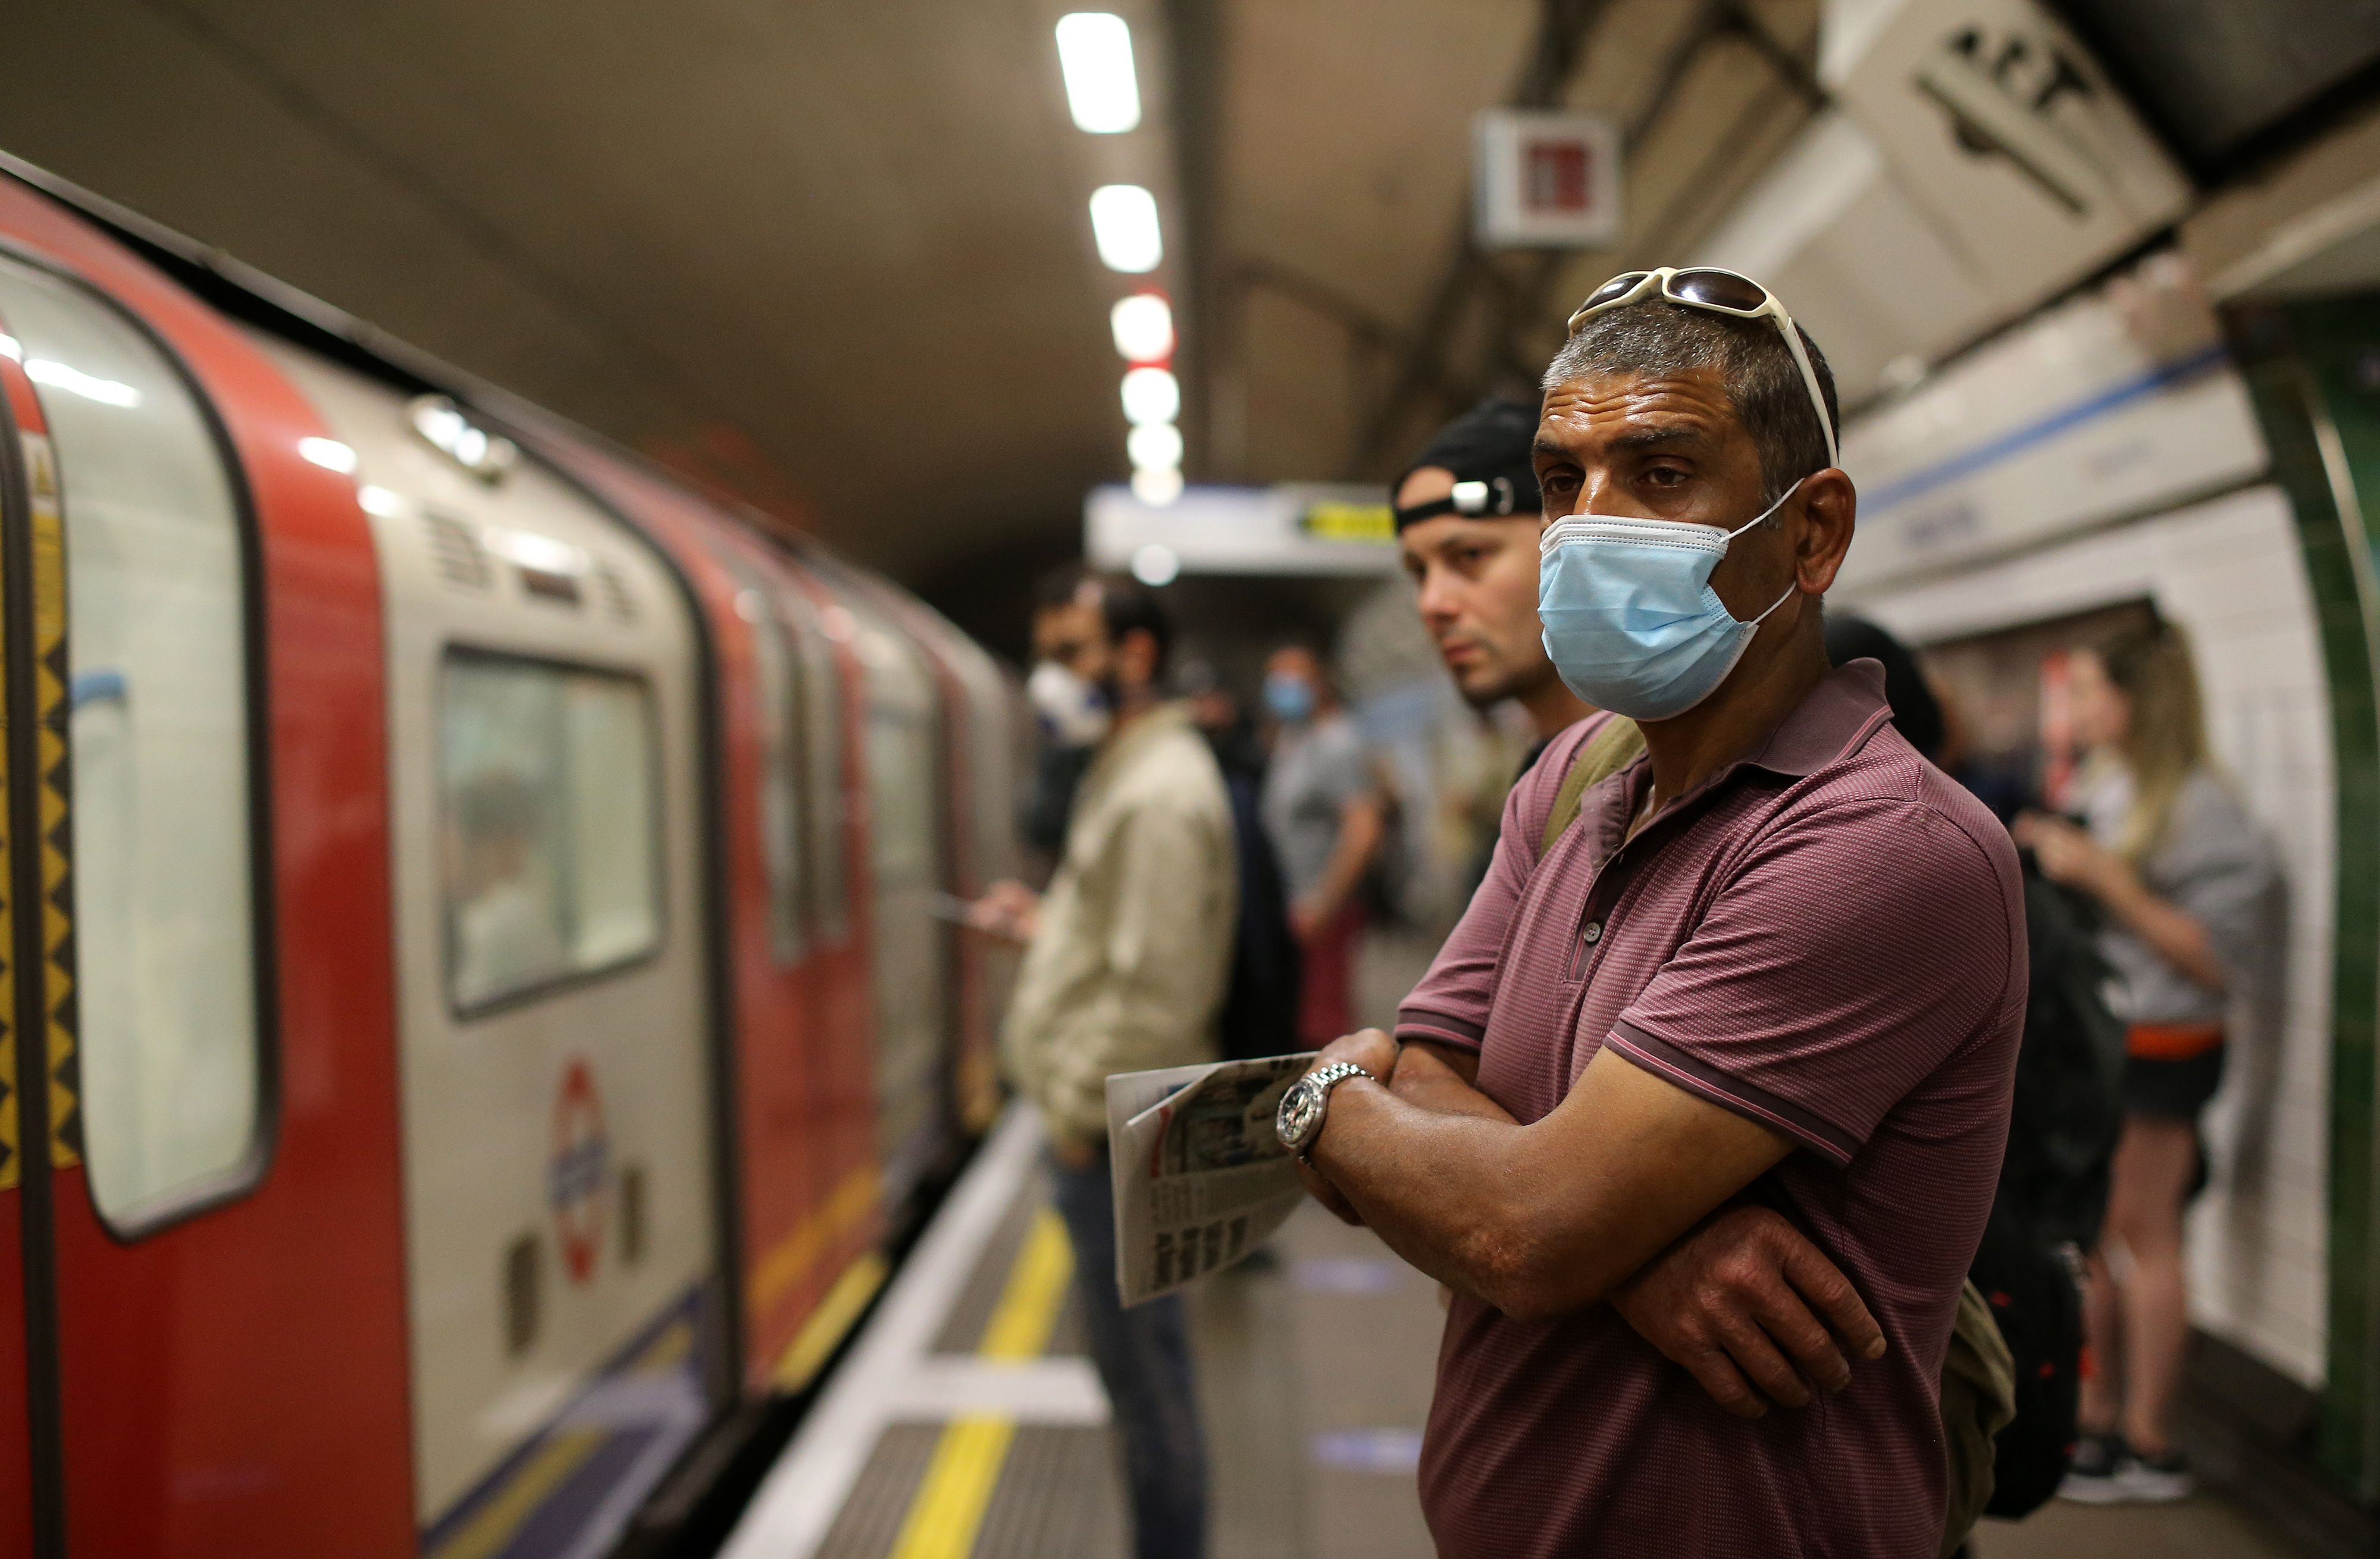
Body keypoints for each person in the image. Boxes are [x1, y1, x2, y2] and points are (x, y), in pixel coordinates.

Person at [1283, 267, 2026, 1557]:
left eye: (1661, 472)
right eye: (1562, 480)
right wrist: (1634, 1247)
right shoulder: (1572, 785)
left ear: (1811, 533)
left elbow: (1515, 1230)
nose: (1587, 522)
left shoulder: (1876, 843)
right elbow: (1442, 1084)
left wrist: (1324, 1102)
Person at [976, 565, 1235, 1559]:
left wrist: (1081, 1120)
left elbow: (1158, 998)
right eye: (1045, 656)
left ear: (1137, 656)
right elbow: (1125, 941)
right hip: (1112, 1126)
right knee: (1138, 1382)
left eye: (1072, 654)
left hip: (1119, 1135)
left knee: (1148, 1390)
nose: (1052, 679)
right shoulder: (1126, 769)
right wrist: (1048, 927)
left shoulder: (1159, 794)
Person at [2015, 620, 2275, 1504]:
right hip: (2112, 1037)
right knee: (2106, 1233)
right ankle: (2099, 1420)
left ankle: (2150, 1439)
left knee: (2145, 1237)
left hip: (2166, 1048)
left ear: (2139, 698)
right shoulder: (2115, 781)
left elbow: (2217, 959)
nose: (2076, 705)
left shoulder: (2202, 807)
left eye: (2089, 688)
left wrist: (2101, 877)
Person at [1393, 396, 1596, 769]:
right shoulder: (1544, 783)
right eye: (1420, 573)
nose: (1432, 605)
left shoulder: (1669, 783)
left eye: (1471, 555)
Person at [1258, 645, 1385, 1045]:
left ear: (1319, 683)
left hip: (1321, 911)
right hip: (1291, 908)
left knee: (1323, 1027)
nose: (1284, 691)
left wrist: (1322, 904)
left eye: (1293, 680)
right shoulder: (1293, 738)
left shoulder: (1338, 742)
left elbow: (1364, 828)